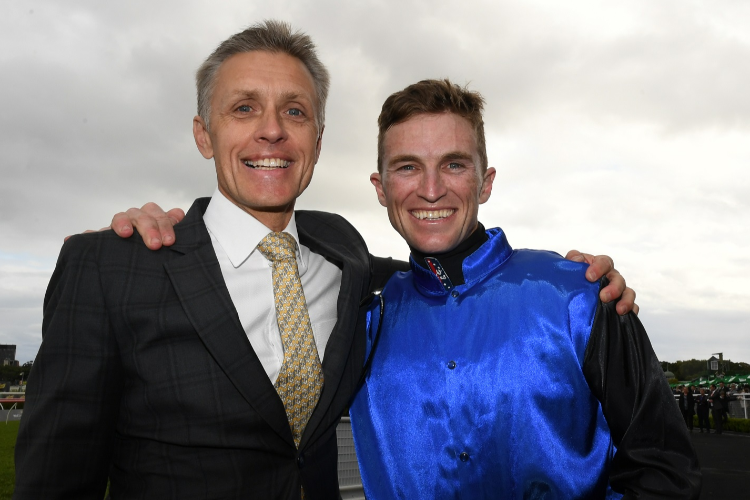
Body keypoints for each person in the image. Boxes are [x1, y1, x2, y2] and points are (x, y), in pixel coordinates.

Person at [15, 21, 635, 500]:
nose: (271, 132)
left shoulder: (345, 256)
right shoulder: (111, 265)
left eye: (294, 111)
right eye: (243, 108)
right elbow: (54, 480)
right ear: (203, 134)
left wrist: (567, 279)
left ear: (316, 138)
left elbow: (447, 273)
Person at [347, 79, 700, 498]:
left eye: (454, 164)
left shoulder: (580, 294)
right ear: (380, 188)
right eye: (407, 167)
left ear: (485, 182)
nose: (430, 189)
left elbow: (664, 467)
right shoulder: (361, 319)